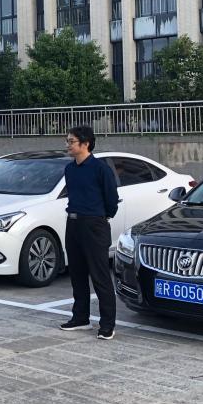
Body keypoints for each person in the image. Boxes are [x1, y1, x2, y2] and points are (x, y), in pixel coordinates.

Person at [59, 125, 119, 340]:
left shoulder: (100, 169)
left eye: (71, 141)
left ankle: (107, 324)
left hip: (94, 225)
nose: (68, 145)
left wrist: (101, 217)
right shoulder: (70, 169)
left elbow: (111, 199)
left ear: (85, 144)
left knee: (100, 275)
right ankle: (81, 318)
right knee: (77, 274)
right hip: (73, 223)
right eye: (67, 141)